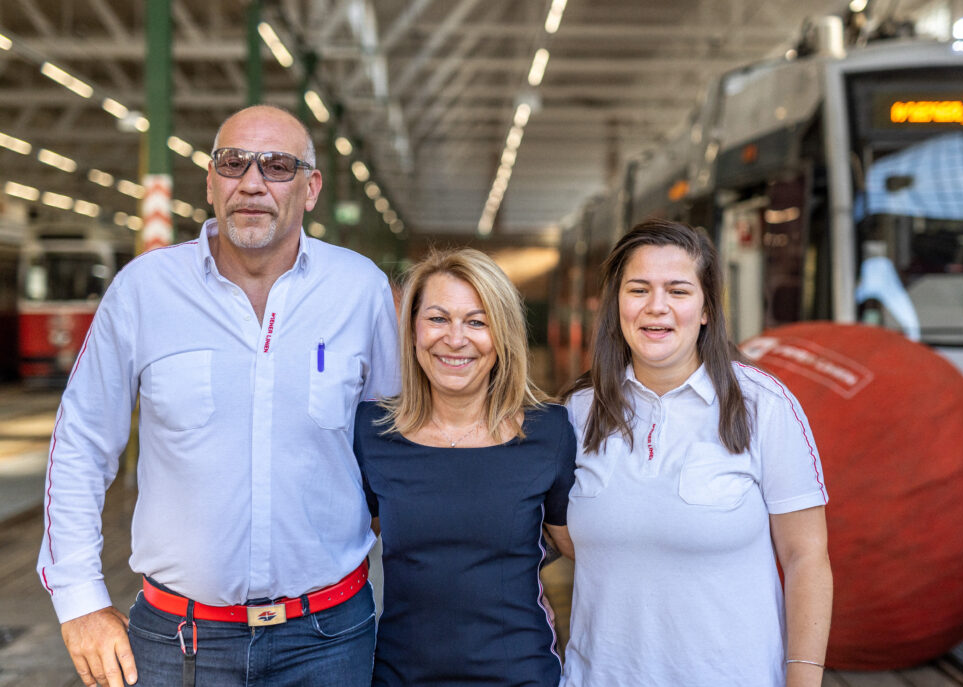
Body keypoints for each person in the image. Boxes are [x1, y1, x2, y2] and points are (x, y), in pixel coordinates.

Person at [37, 104, 400, 687]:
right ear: (210, 183)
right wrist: (79, 599)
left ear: (311, 189)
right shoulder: (144, 290)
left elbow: (396, 442)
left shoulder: (360, 291)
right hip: (179, 641)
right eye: (233, 163)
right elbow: (80, 444)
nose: (252, 182)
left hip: (329, 639)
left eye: (277, 166)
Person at [561, 219, 832, 687]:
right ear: (617, 305)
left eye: (678, 291)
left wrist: (803, 681)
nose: (656, 307)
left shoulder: (763, 406)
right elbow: (564, 532)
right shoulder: (578, 411)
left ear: (707, 309)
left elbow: (806, 554)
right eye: (638, 289)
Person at [353, 248, 576, 686]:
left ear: (503, 335)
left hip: (519, 674)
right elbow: (341, 544)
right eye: (438, 319)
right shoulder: (372, 433)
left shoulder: (548, 433)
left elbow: (586, 548)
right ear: (413, 329)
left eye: (477, 322)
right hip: (401, 675)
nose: (455, 339)